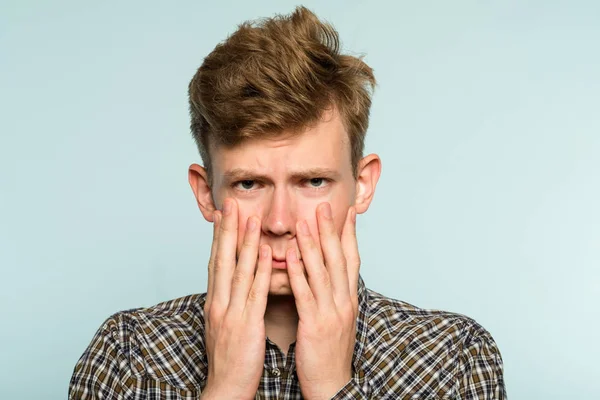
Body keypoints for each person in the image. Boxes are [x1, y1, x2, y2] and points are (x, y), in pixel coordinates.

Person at [69, 6, 506, 399]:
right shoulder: (127, 354)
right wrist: (225, 389)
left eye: (313, 181)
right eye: (249, 185)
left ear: (363, 184)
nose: (279, 222)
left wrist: (333, 386)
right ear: (206, 193)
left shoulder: (455, 359)